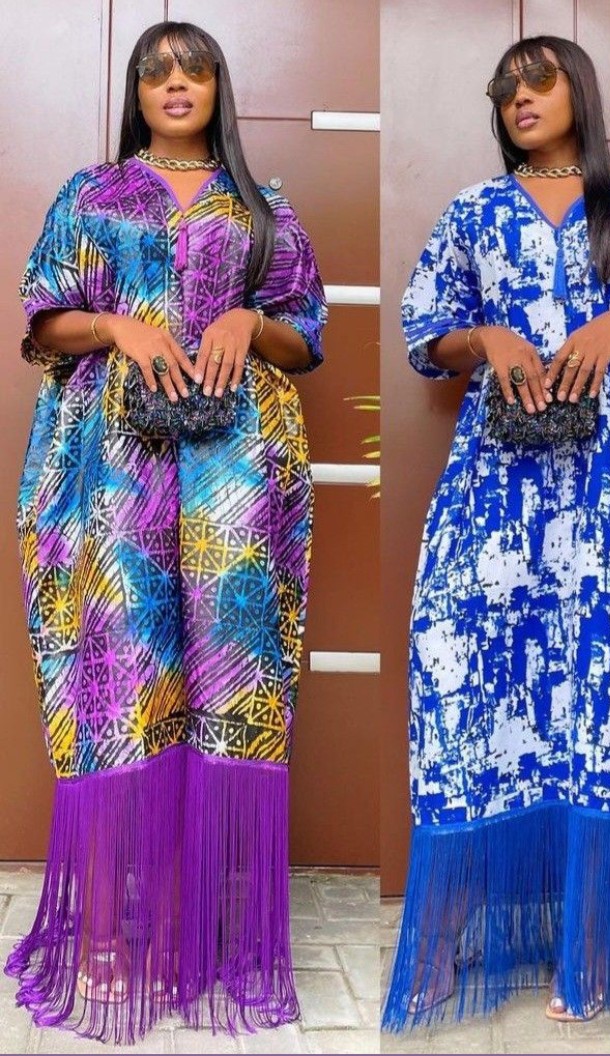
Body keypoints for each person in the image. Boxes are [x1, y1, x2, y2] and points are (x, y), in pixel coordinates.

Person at [383, 35, 610, 1030]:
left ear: (580, 90)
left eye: (540, 79)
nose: (520, 98)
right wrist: (485, 334)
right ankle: (440, 936)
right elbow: (424, 332)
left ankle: (592, 940)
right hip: (507, 475)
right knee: (460, 664)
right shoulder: (475, 212)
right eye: (505, 88)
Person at [5, 21, 326, 1045]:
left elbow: (306, 336)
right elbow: (42, 321)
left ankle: (195, 927)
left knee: (222, 683)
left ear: (218, 87)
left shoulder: (262, 205)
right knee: (122, 675)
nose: (176, 83)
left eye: (195, 69)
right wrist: (117, 325)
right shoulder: (93, 193)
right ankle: (104, 925)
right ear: (137, 93)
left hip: (236, 474)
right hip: (114, 472)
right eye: (156, 70)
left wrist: (248, 321)